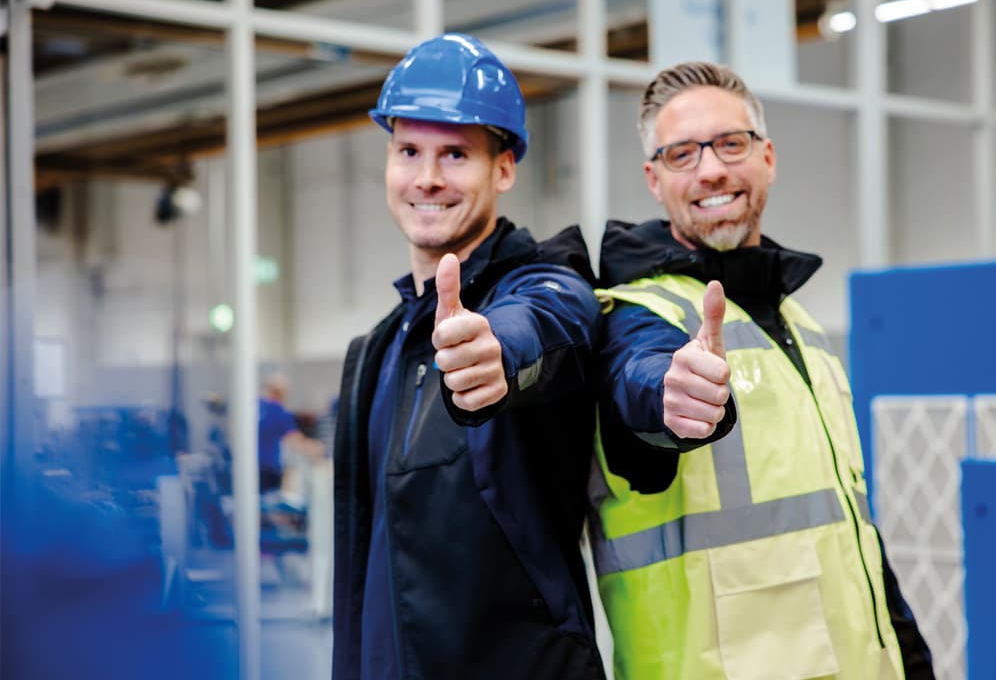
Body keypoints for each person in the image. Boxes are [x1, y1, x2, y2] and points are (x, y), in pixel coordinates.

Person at [589, 61, 935, 680]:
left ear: (767, 156)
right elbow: (638, 382)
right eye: (681, 154)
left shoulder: (802, 326)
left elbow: (853, 534)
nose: (712, 169)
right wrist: (669, 398)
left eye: (730, 144)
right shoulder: (635, 317)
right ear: (653, 178)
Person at [332, 33, 605, 680]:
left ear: (504, 168)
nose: (427, 177)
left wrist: (499, 355)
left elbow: (547, 323)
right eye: (409, 151)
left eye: (455, 153)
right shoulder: (379, 347)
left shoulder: (544, 285)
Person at [258, 373, 323, 495]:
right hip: (267, 468)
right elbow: (294, 440)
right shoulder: (278, 411)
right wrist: (316, 449)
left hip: (247, 467)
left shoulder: (253, 406)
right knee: (268, 505)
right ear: (280, 392)